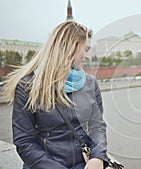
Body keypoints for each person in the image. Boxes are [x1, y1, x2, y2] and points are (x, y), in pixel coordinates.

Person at [3, 21, 109, 169]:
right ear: (69, 48)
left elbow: (97, 126)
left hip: (83, 163)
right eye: (85, 50)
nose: (88, 56)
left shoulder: (90, 83)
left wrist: (98, 157)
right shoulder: (27, 87)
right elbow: (25, 142)